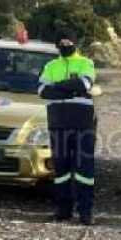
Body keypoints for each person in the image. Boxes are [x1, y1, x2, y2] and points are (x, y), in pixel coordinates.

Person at [38, 30, 97, 225]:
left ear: (75, 43)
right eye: (62, 42)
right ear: (57, 45)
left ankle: (85, 211)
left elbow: (85, 83)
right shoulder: (50, 65)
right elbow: (42, 91)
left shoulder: (85, 63)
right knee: (61, 169)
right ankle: (63, 210)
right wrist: (72, 89)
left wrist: (59, 88)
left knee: (84, 169)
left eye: (69, 41)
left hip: (83, 124)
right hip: (58, 123)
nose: (65, 44)